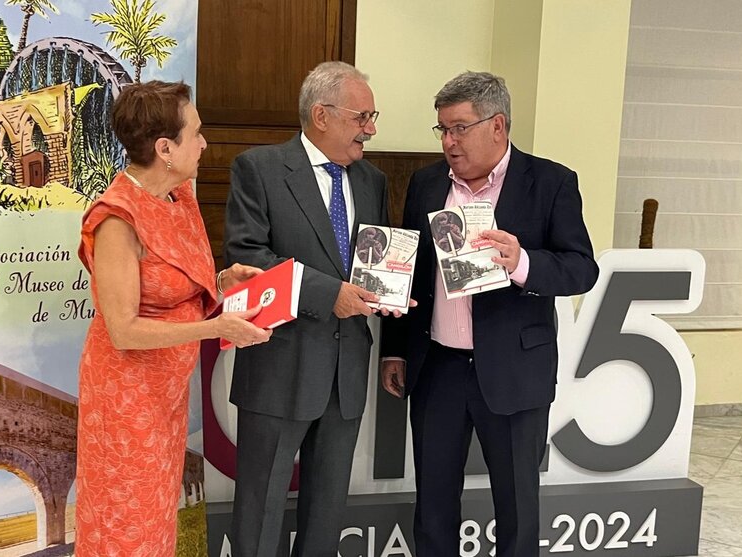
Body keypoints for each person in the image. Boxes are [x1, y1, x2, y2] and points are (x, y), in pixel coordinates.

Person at [380, 71, 599, 556]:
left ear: (497, 125)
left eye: (459, 128)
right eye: (442, 129)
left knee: (518, 510)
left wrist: (521, 262)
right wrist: (394, 350)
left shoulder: (551, 182)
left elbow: (582, 269)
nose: (448, 142)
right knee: (433, 508)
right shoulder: (426, 183)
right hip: (438, 368)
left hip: (516, 371)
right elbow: (411, 272)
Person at [74, 81, 272, 555]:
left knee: (157, 517)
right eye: (197, 134)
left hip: (164, 395)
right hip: (125, 399)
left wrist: (224, 281)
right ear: (165, 148)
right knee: (125, 523)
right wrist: (216, 327)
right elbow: (123, 329)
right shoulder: (117, 219)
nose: (204, 144)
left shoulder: (179, 197)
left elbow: (175, 283)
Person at [223, 61, 391, 556]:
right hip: (280, 368)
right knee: (260, 511)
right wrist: (327, 295)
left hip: (345, 375)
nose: (372, 129)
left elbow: (373, 261)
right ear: (321, 115)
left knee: (326, 515)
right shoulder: (260, 169)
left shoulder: (372, 181)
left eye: (372, 117)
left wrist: (389, 291)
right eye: (362, 117)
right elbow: (248, 258)